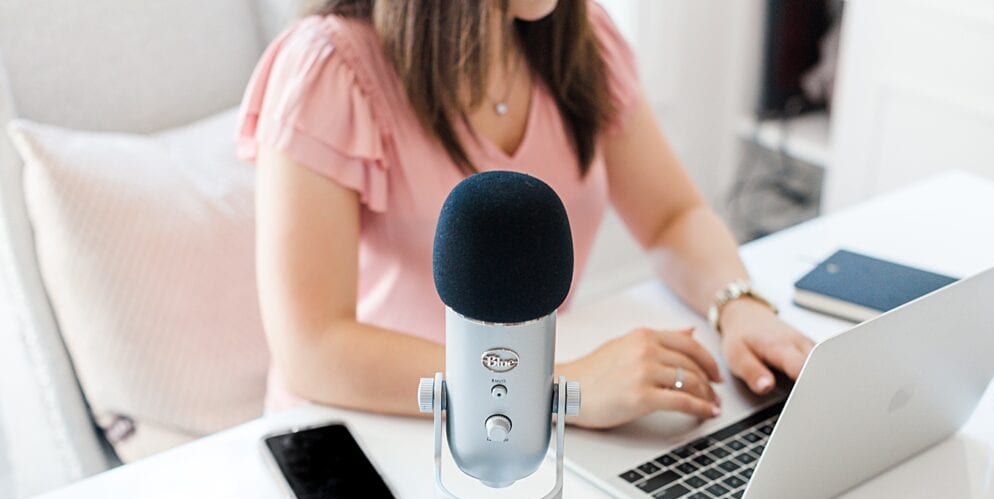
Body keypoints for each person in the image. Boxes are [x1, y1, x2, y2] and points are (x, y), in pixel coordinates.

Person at [237, 0, 814, 429]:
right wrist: (553, 385)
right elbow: (312, 349)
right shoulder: (327, 69)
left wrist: (737, 303)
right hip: (369, 429)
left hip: (522, 420)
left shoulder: (580, 35)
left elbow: (672, 217)